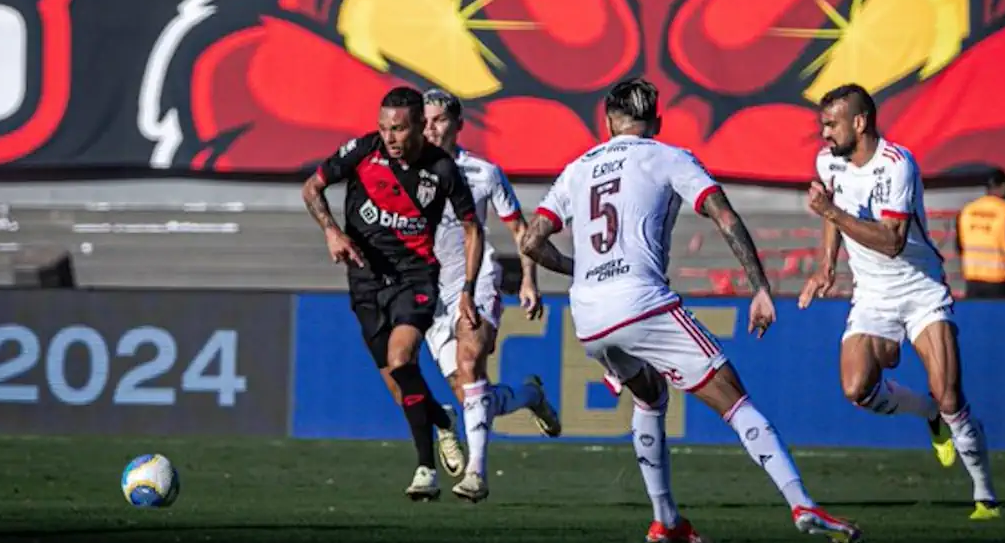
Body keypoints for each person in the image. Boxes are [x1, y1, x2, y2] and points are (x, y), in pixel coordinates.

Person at [520, 78, 861, 543]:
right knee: (735, 401)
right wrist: (760, 287)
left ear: (607, 121)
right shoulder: (669, 156)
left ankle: (667, 522)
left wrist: (579, 271)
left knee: (649, 396)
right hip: (641, 302)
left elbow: (531, 240)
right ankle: (802, 503)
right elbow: (723, 215)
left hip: (589, 315)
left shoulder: (578, 168)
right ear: (656, 122)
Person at [798, 84, 999, 521]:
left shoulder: (897, 165)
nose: (824, 134)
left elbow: (892, 242)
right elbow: (833, 214)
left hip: (920, 289)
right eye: (822, 125)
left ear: (860, 122)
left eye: (831, 124)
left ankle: (985, 495)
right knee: (857, 389)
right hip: (872, 294)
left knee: (950, 397)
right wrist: (826, 267)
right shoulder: (827, 162)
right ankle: (925, 412)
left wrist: (831, 213)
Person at [300, 86, 484, 500]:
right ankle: (442, 420)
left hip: (415, 278)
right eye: (384, 128)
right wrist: (332, 231)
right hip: (365, 280)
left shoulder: (442, 169)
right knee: (399, 385)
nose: (390, 138)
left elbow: (473, 228)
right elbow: (311, 187)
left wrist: (468, 290)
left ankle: (425, 470)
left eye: (399, 129)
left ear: (420, 125)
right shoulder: (363, 151)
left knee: (402, 360)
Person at [420, 89, 563, 503]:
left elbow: (521, 232)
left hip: (476, 278)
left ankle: (476, 475)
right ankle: (530, 395)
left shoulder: (484, 172)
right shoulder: (407, 172)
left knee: (470, 361)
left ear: (458, 124)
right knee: (472, 396)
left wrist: (529, 281)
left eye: (440, 120)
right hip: (431, 291)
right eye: (425, 120)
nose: (431, 127)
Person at [956, 169, 1005, 299]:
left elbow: (959, 246)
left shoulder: (967, 210)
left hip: (973, 280)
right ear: (1003, 186)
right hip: (1001, 280)